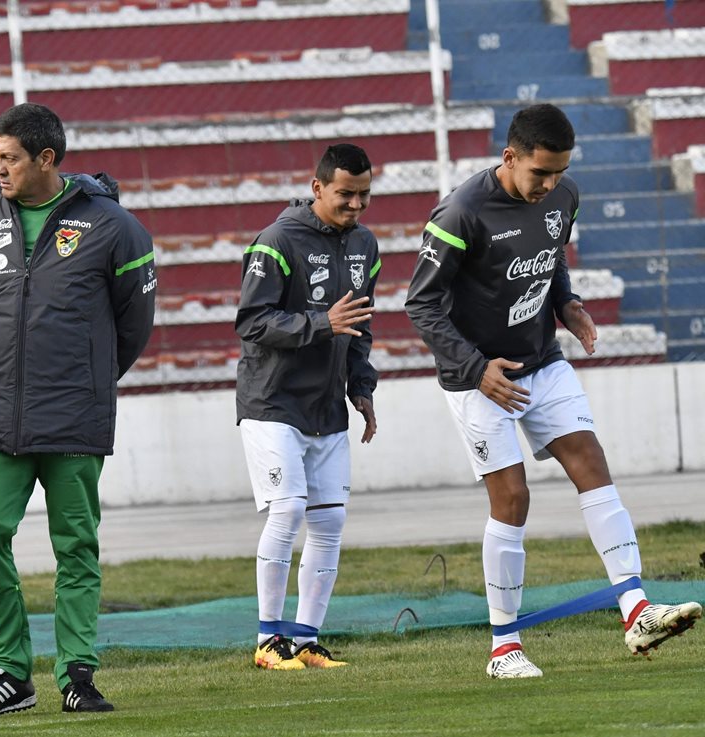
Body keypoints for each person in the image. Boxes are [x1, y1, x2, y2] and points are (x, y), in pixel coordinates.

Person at [405, 103, 701, 679]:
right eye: (540, 172)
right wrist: (474, 367)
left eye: (559, 172)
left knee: (591, 463)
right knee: (513, 498)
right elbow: (421, 303)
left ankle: (636, 610)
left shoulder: (563, 196)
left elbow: (552, 256)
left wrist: (567, 303)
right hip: (479, 378)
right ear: (509, 157)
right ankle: (503, 647)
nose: (550, 185)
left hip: (542, 360)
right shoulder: (461, 212)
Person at [0, 103, 156, 718]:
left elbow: (134, 326)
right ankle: (10, 672)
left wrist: (85, 379)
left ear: (45, 158)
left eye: (8, 157)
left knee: (76, 545)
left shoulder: (116, 228)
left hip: (74, 414)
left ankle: (77, 674)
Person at [235, 143, 380, 671]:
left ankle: (305, 639)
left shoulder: (365, 244)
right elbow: (251, 322)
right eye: (346, 194)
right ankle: (267, 640)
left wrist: (362, 388)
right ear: (318, 188)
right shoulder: (276, 241)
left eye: (364, 194)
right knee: (289, 509)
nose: (356, 205)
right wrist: (321, 324)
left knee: (331, 520)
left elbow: (360, 326)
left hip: (326, 408)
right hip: (271, 401)